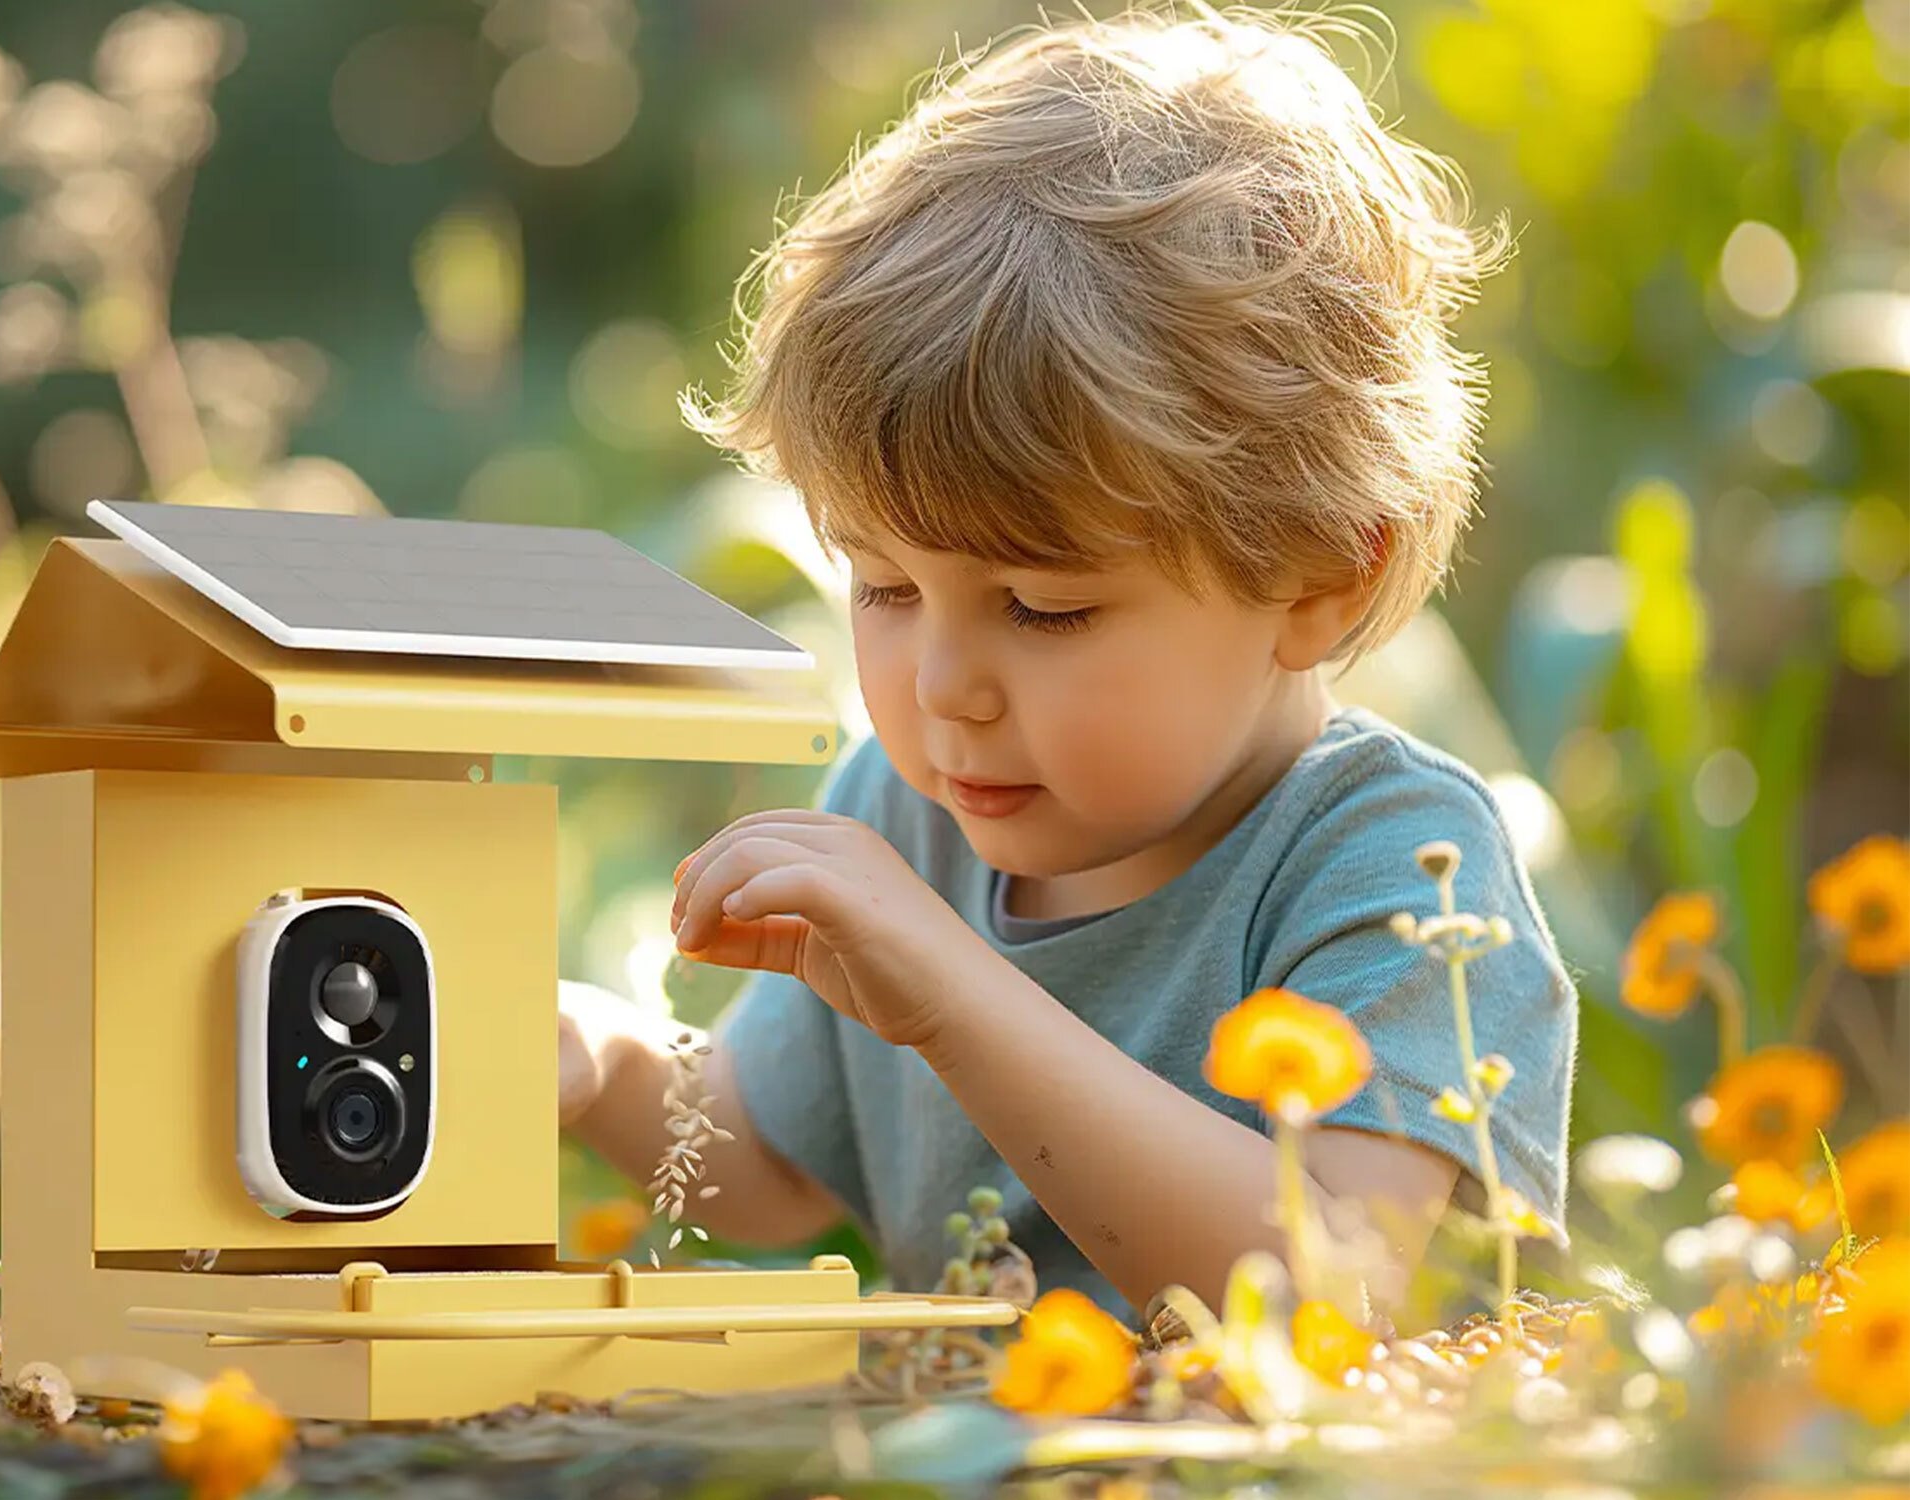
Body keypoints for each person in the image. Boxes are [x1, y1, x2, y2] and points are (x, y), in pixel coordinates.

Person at [557, 3, 1576, 1328]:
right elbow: (760, 1168)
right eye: (883, 588)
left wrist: (951, 992)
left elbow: (1327, 1290)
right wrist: (599, 1063)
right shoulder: (908, 814)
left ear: (1323, 578)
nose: (942, 686)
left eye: (1040, 608)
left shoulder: (1394, 863)